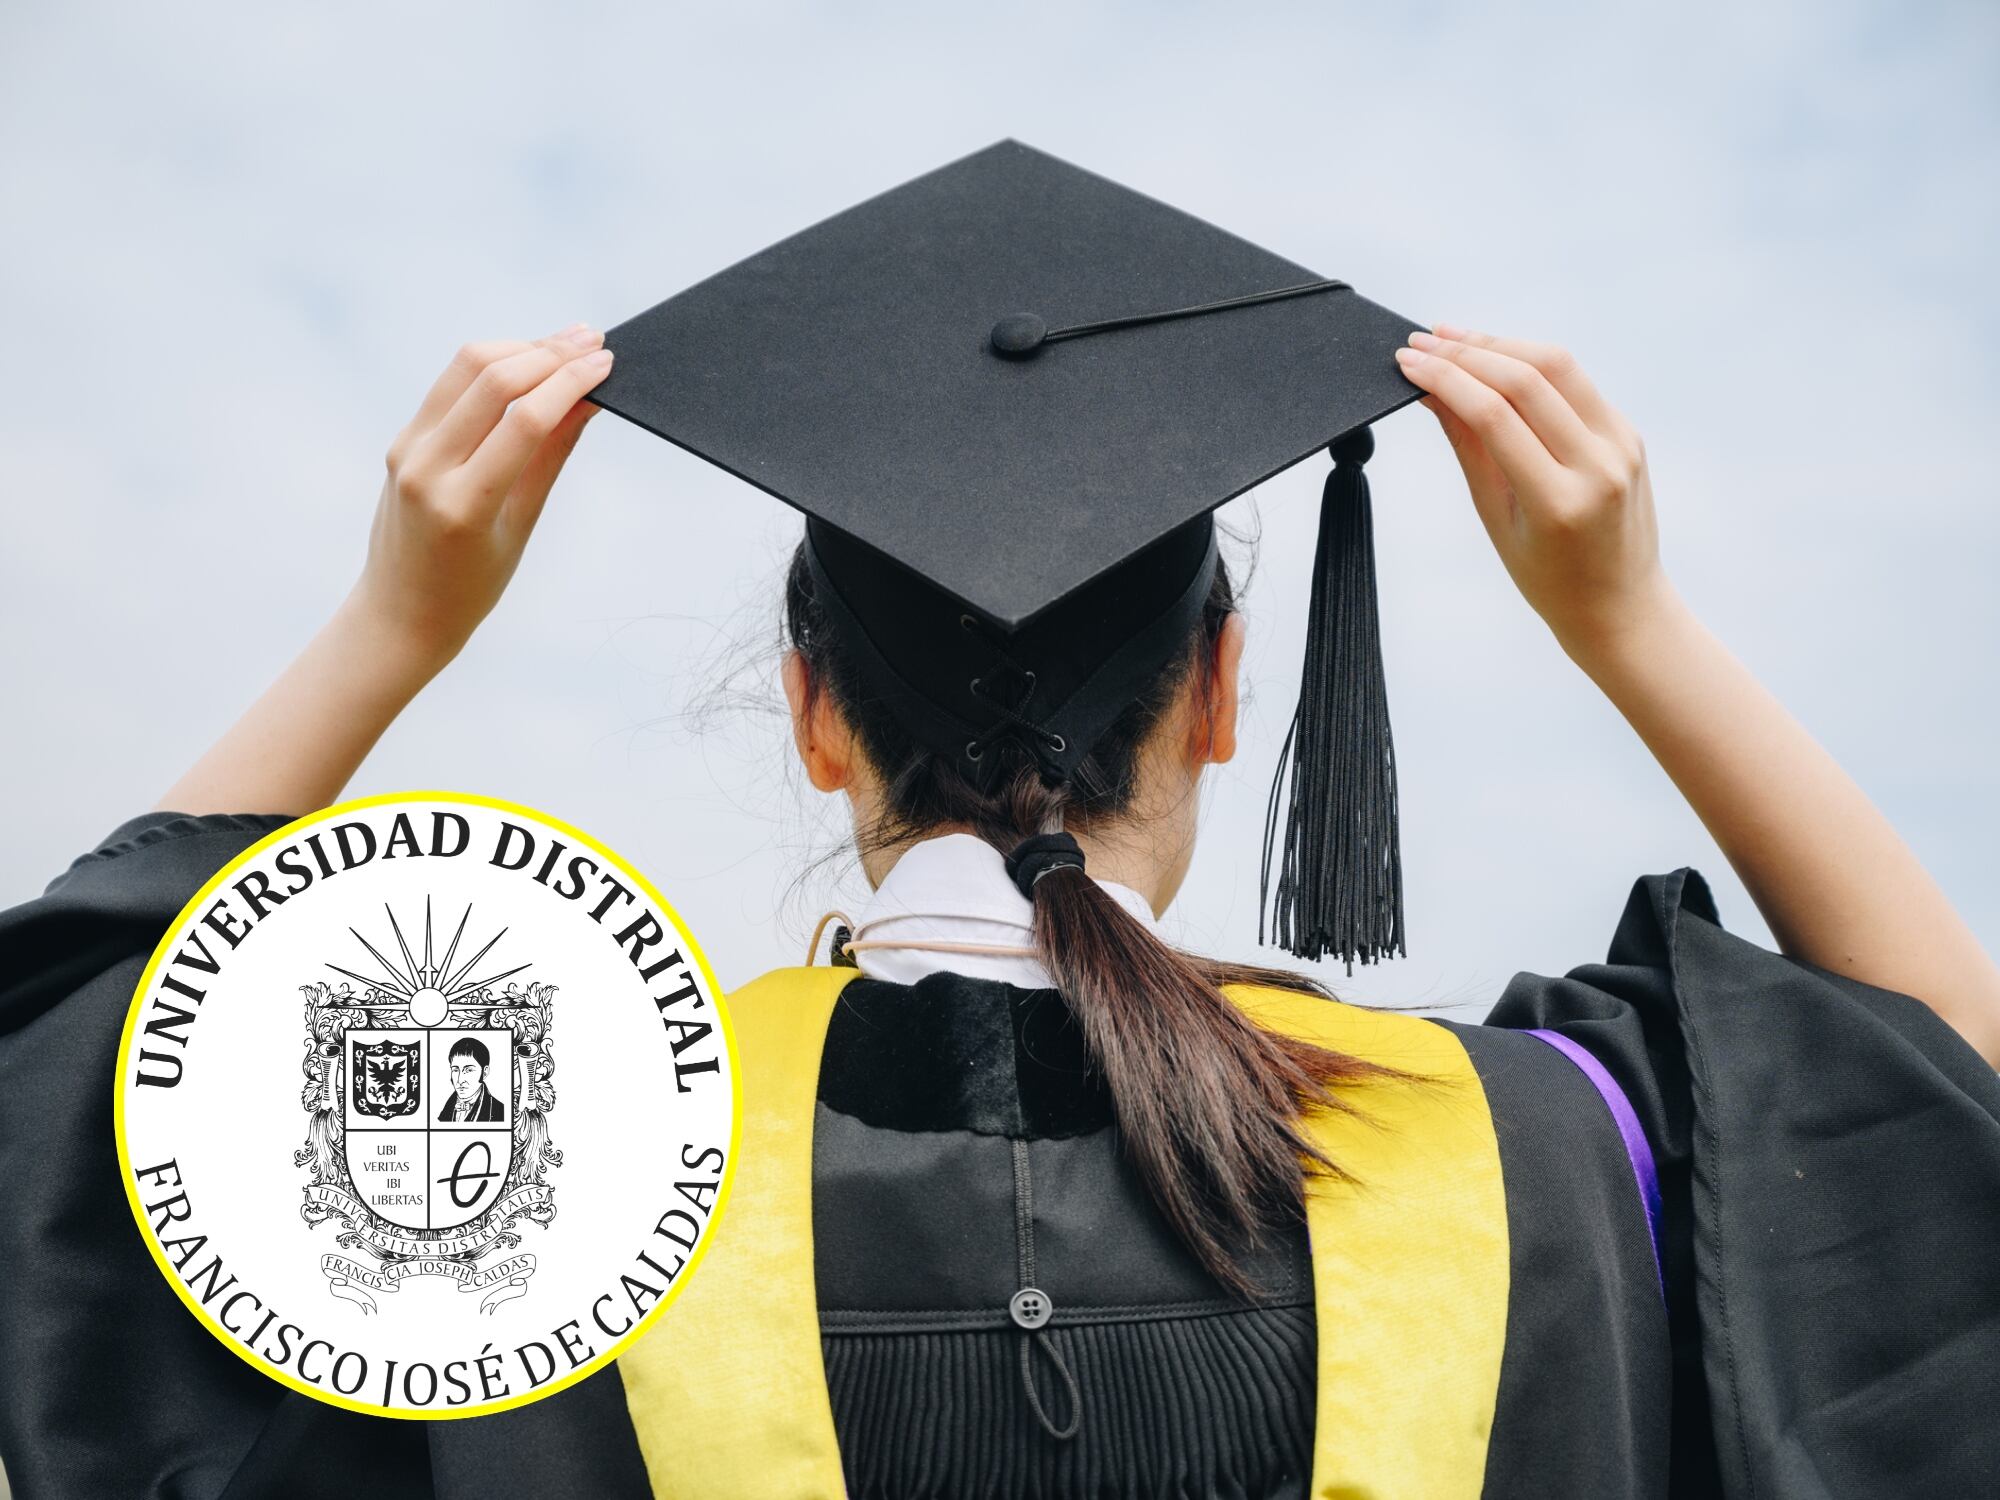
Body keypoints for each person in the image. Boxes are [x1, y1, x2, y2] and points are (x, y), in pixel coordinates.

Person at [4, 151, 1999, 1498]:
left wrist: (391, 625)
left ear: (807, 712)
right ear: (1224, 700)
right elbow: (1935, 1111)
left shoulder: (545, 1186)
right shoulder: (1554, 1157)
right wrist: (1632, 625)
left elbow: (49, 1093)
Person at [441, 1036, 505, 1123]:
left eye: (469, 1070)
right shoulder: (446, 1109)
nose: (460, 1080)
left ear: (484, 1072)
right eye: (455, 1070)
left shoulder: (499, 1111)